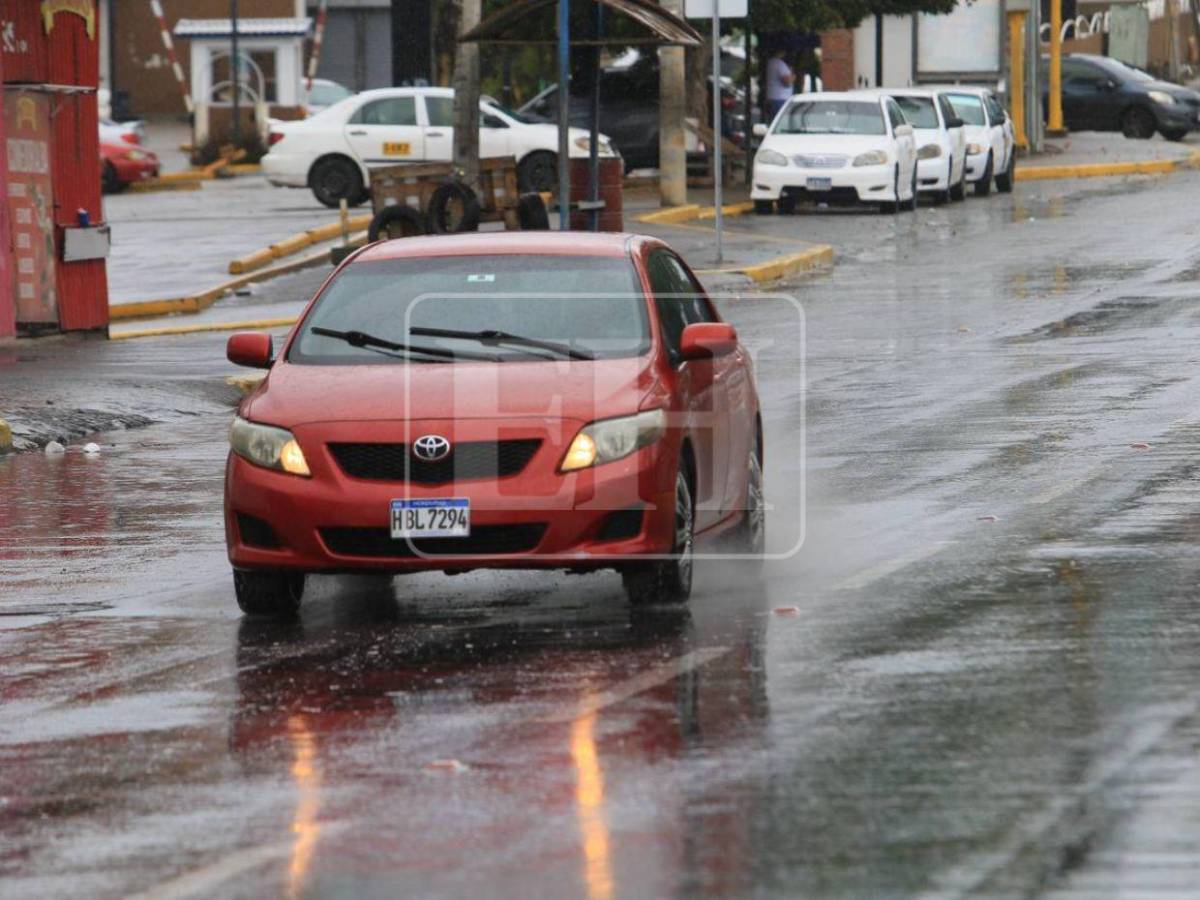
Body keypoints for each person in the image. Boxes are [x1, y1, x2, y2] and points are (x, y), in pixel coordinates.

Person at [765, 48, 795, 122]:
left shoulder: (770, 63)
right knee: (782, 121)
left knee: (773, 120)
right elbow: (787, 82)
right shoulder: (780, 64)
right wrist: (793, 76)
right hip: (781, 98)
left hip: (772, 97)